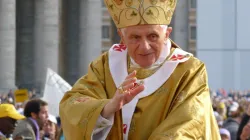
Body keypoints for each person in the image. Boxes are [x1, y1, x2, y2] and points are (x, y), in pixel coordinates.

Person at [59, 0, 220, 139]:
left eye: (152, 36)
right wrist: (108, 107)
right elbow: (72, 106)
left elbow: (189, 125)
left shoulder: (189, 70)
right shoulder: (105, 66)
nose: (144, 47)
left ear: (166, 34)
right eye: (135, 37)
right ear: (122, 37)